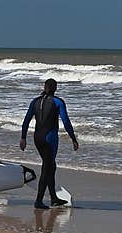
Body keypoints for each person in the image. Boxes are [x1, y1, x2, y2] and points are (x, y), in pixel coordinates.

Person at [19, 77, 79, 209]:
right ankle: (39, 200)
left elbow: (26, 120)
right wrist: (73, 138)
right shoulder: (58, 102)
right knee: (47, 167)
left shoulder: (35, 101)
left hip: (37, 138)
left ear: (44, 87)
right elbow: (66, 122)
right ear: (55, 88)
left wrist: (23, 138)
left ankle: (53, 198)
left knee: (51, 166)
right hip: (49, 139)